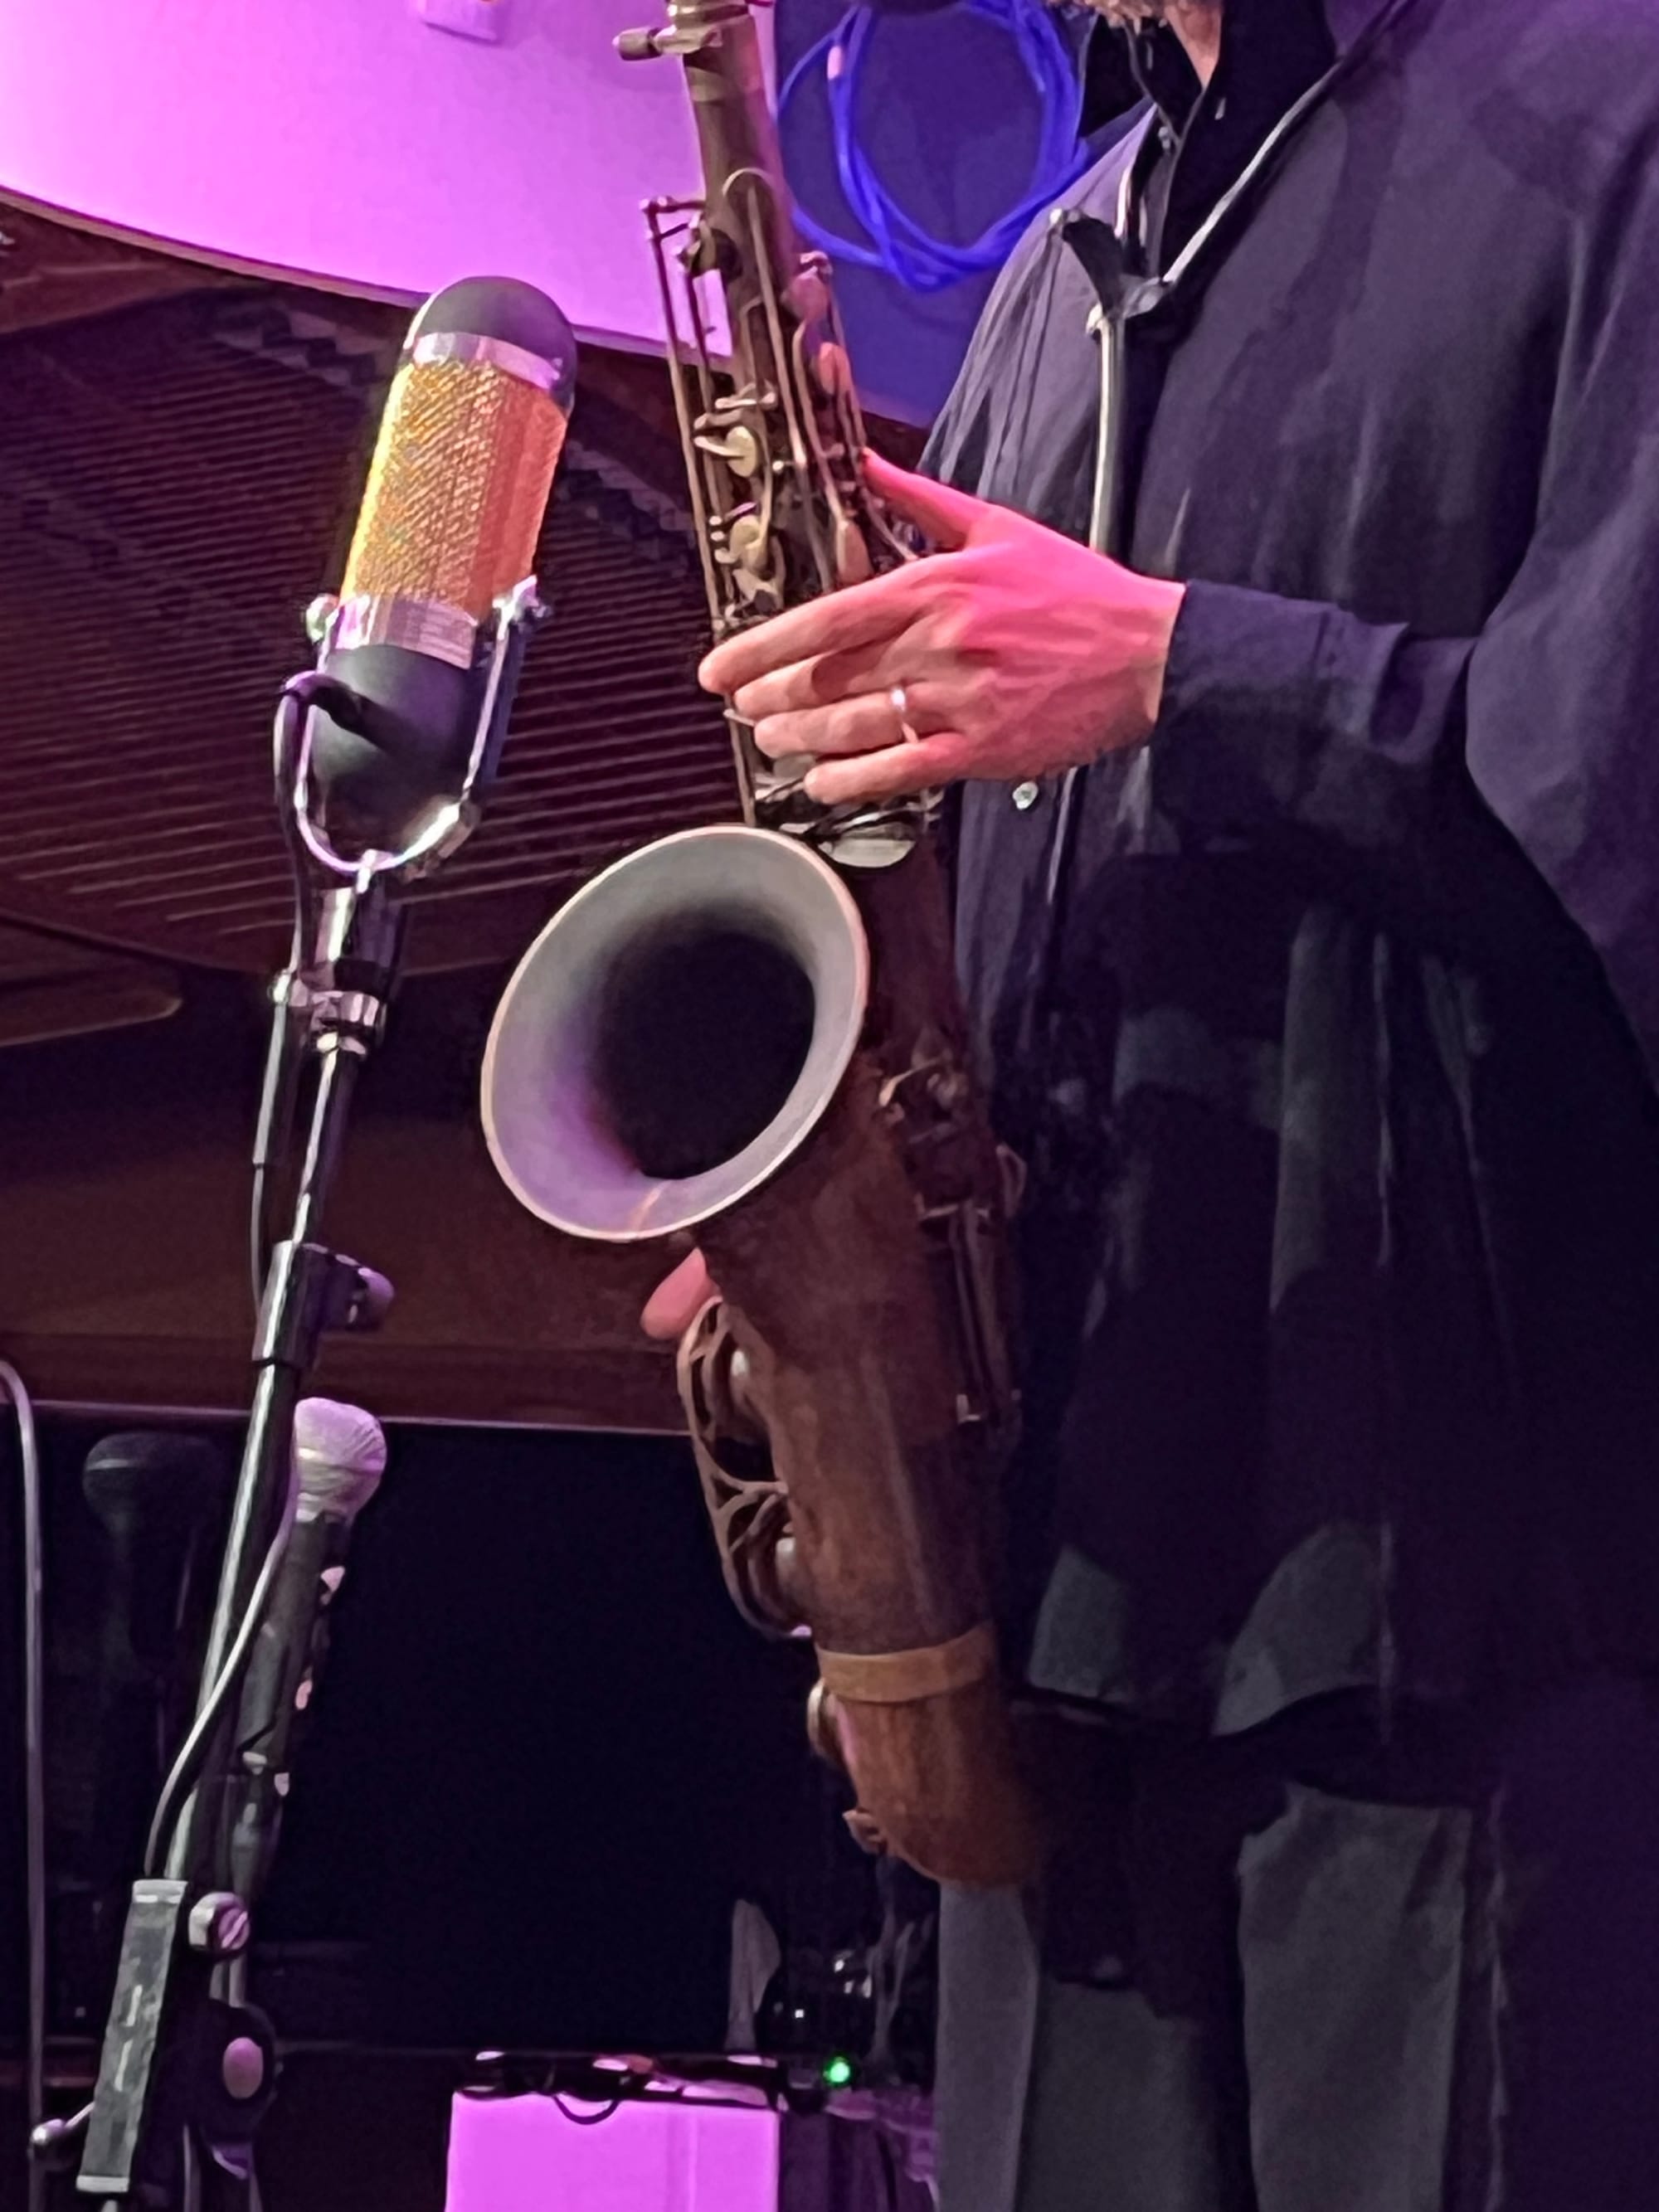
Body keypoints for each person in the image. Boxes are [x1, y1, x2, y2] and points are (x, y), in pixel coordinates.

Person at [647, 0, 1659, 2204]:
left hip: (1444, 1632)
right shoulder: (1060, 265)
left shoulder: (1619, 121)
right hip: (1064, 1632)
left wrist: (1183, 665)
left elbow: (1619, 803)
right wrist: (839, 1163)